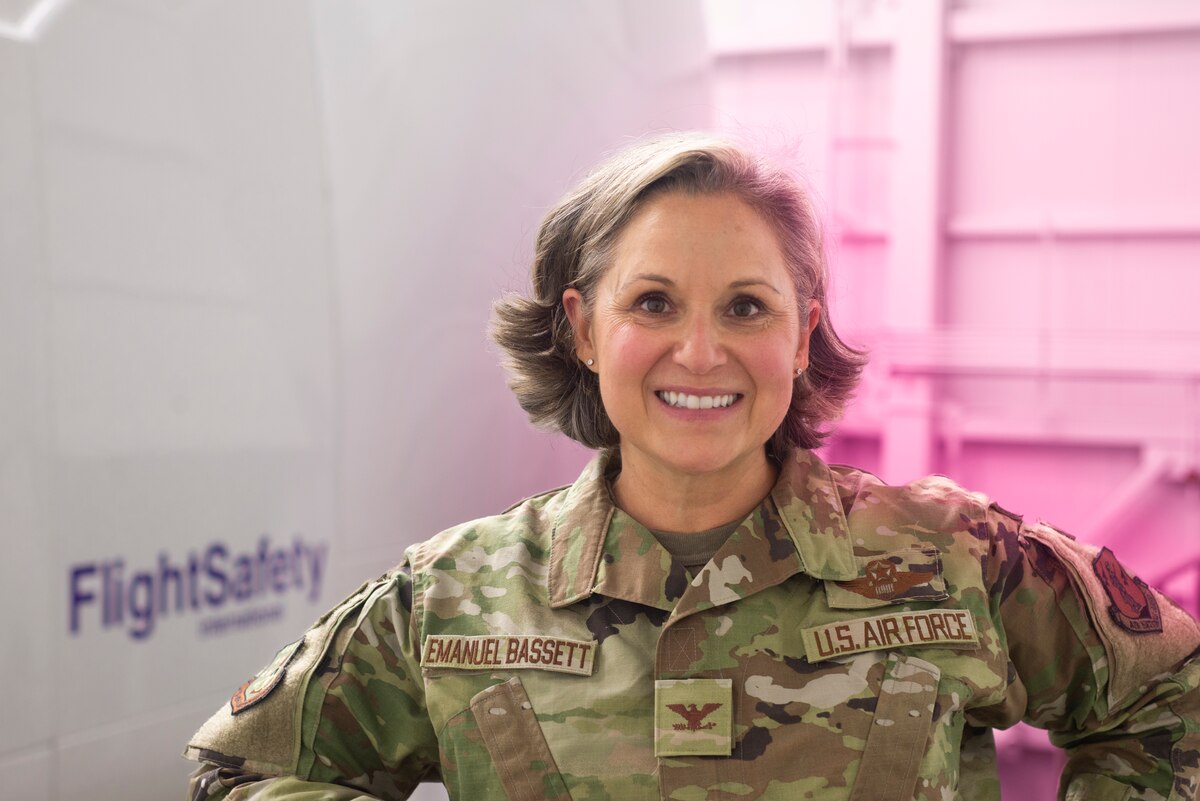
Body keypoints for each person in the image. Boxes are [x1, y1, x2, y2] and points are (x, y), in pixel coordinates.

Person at [185, 133, 1200, 801]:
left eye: (746, 308)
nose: (702, 354)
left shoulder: (958, 557)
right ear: (584, 330)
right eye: (654, 303)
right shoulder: (452, 598)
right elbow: (239, 771)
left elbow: (1174, 697)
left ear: (802, 337)